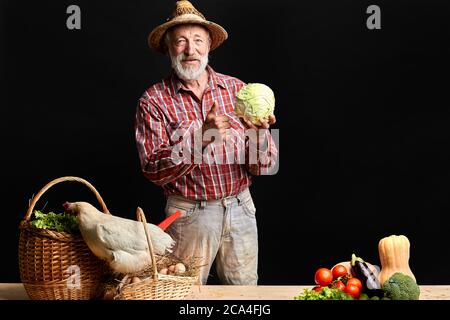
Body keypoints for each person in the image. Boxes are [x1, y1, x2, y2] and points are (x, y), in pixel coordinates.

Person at [134, 0, 278, 285]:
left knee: (244, 294)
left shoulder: (237, 90)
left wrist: (259, 134)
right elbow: (152, 169)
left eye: (198, 40)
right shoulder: (153, 101)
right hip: (189, 215)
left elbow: (265, 167)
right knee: (184, 293)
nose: (190, 50)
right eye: (181, 41)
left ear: (209, 45)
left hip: (240, 209)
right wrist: (202, 139)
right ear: (168, 48)